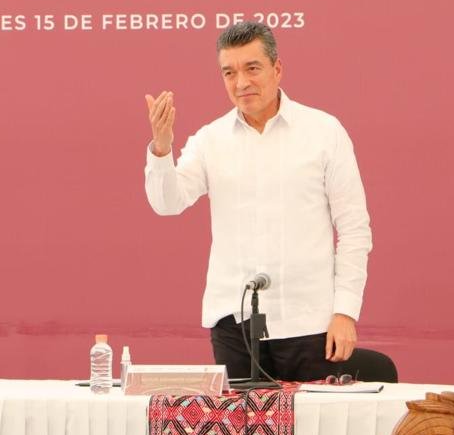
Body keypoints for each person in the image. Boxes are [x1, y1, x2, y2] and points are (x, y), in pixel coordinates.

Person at [143, 21, 372, 381]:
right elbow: (167, 203)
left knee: (312, 419)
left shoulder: (324, 132)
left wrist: (345, 311)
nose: (241, 83)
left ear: (277, 69)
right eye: (229, 73)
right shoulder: (210, 139)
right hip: (234, 325)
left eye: (252, 68)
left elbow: (354, 228)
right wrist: (161, 148)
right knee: (239, 421)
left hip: (310, 324)